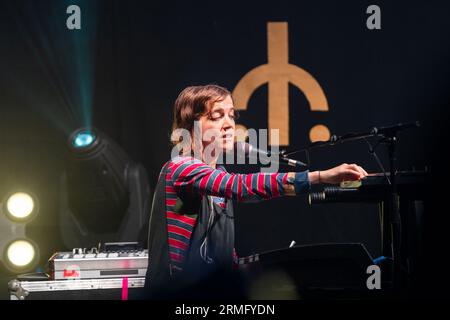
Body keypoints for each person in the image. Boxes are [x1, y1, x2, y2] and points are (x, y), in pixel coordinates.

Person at [144, 84, 368, 298]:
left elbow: (221, 255)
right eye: (216, 116)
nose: (228, 124)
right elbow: (240, 187)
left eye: (231, 115)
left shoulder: (218, 174)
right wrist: (318, 176)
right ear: (191, 127)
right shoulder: (181, 167)